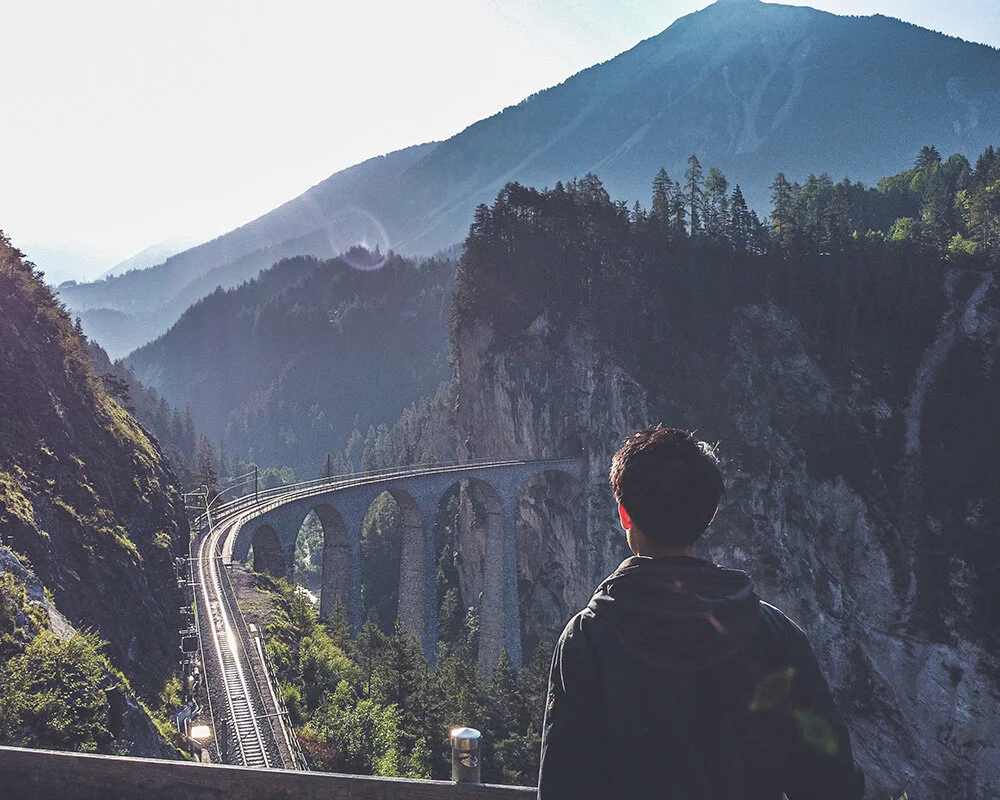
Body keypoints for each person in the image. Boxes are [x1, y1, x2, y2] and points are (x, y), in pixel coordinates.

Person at [537, 427, 865, 799]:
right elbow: (833, 783)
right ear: (711, 514)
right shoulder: (777, 634)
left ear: (625, 514)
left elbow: (565, 786)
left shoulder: (587, 640)